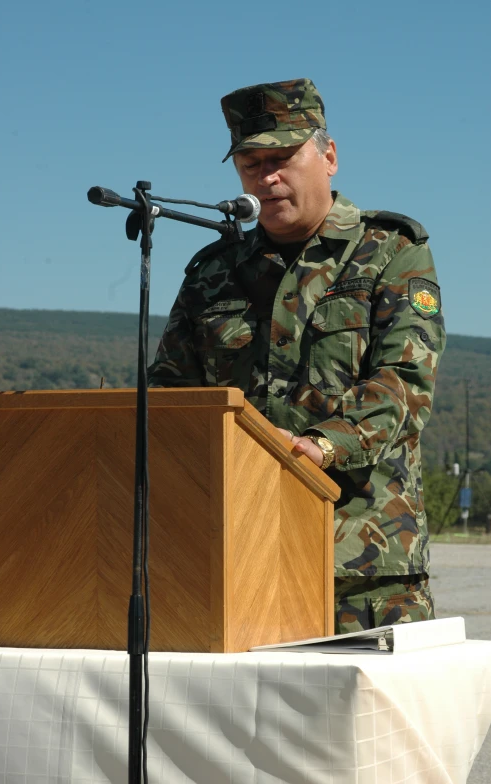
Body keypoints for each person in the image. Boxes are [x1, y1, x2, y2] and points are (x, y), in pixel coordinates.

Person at [148, 78, 446, 633]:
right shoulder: (213, 273)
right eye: (251, 163)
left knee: (370, 720)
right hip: (237, 554)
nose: (267, 177)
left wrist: (321, 446)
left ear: (328, 156)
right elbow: (171, 398)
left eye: (283, 157)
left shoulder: (391, 252)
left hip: (362, 565)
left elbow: (403, 383)